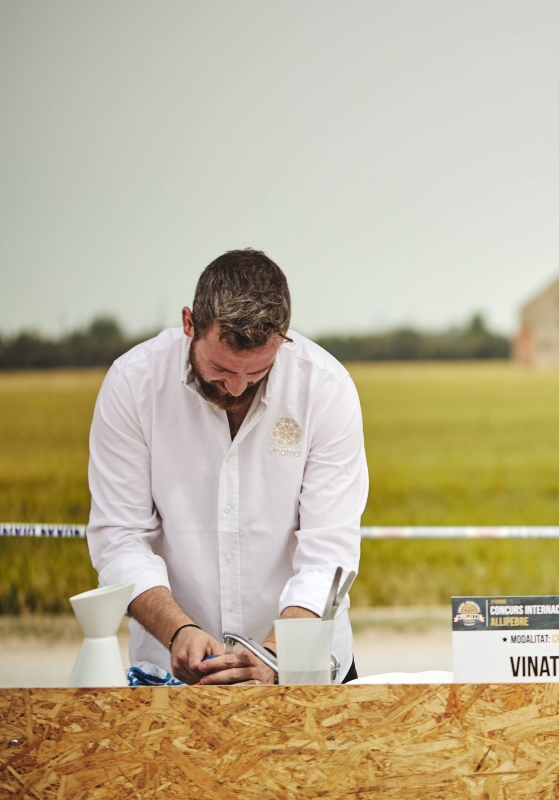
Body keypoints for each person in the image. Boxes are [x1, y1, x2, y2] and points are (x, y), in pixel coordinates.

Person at [86, 249, 368, 685]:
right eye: (220, 368)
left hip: (304, 669)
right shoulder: (132, 384)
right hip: (171, 670)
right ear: (189, 324)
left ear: (284, 338)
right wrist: (177, 630)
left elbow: (328, 553)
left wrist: (276, 653)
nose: (237, 387)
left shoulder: (326, 389)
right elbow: (119, 538)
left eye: (257, 372)